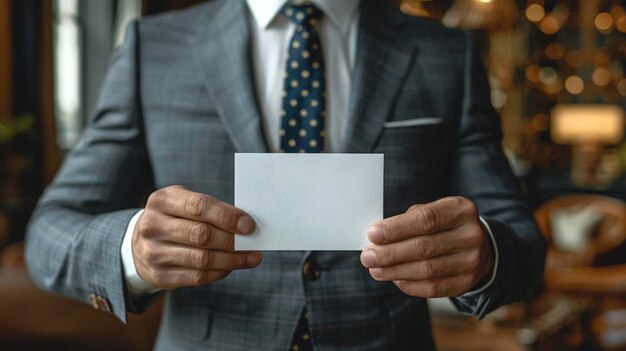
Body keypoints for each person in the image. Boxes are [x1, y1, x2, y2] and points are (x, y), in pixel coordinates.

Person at [25, 0, 547, 349]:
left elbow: (520, 238)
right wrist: (131, 248)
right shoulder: (153, 48)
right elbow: (50, 231)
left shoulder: (443, 53)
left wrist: (486, 255)